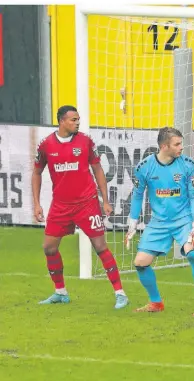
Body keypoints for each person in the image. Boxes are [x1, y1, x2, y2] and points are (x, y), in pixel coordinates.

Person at [32, 105, 129, 309]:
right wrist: (37, 203)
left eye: (78, 119)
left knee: (100, 246)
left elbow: (97, 169)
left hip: (86, 203)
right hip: (60, 205)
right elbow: (37, 172)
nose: (77, 122)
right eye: (73, 119)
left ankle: (120, 294)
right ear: (61, 121)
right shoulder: (46, 145)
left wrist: (105, 200)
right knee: (49, 248)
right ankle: (60, 292)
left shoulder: (85, 141)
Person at [125, 127, 194, 316]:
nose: (182, 147)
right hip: (159, 223)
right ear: (164, 146)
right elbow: (138, 196)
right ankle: (156, 302)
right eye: (177, 144)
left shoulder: (188, 165)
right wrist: (132, 222)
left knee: (193, 255)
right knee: (140, 263)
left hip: (184, 220)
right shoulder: (144, 167)